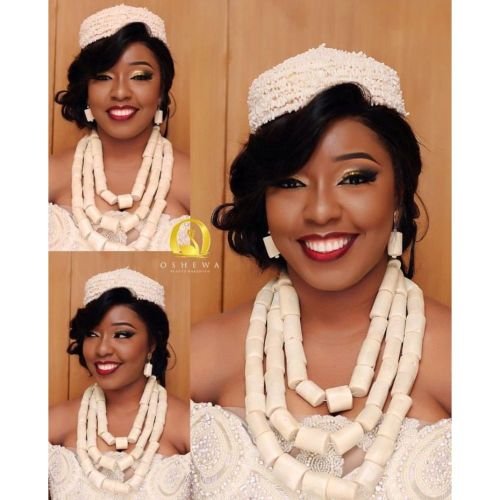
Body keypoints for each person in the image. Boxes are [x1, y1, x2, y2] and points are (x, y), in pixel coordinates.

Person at [191, 46, 451, 499]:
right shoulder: (202, 354)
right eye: (290, 183)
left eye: (354, 178)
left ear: (399, 194)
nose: (321, 211)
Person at [49, 5, 190, 251]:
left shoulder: (195, 179)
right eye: (103, 77)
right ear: (86, 90)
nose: (121, 92)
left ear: (161, 90)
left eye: (139, 76)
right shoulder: (48, 173)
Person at [49, 268, 190, 498]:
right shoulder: (54, 423)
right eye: (92, 334)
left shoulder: (188, 424)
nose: (102, 349)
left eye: (122, 334)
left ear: (152, 343)